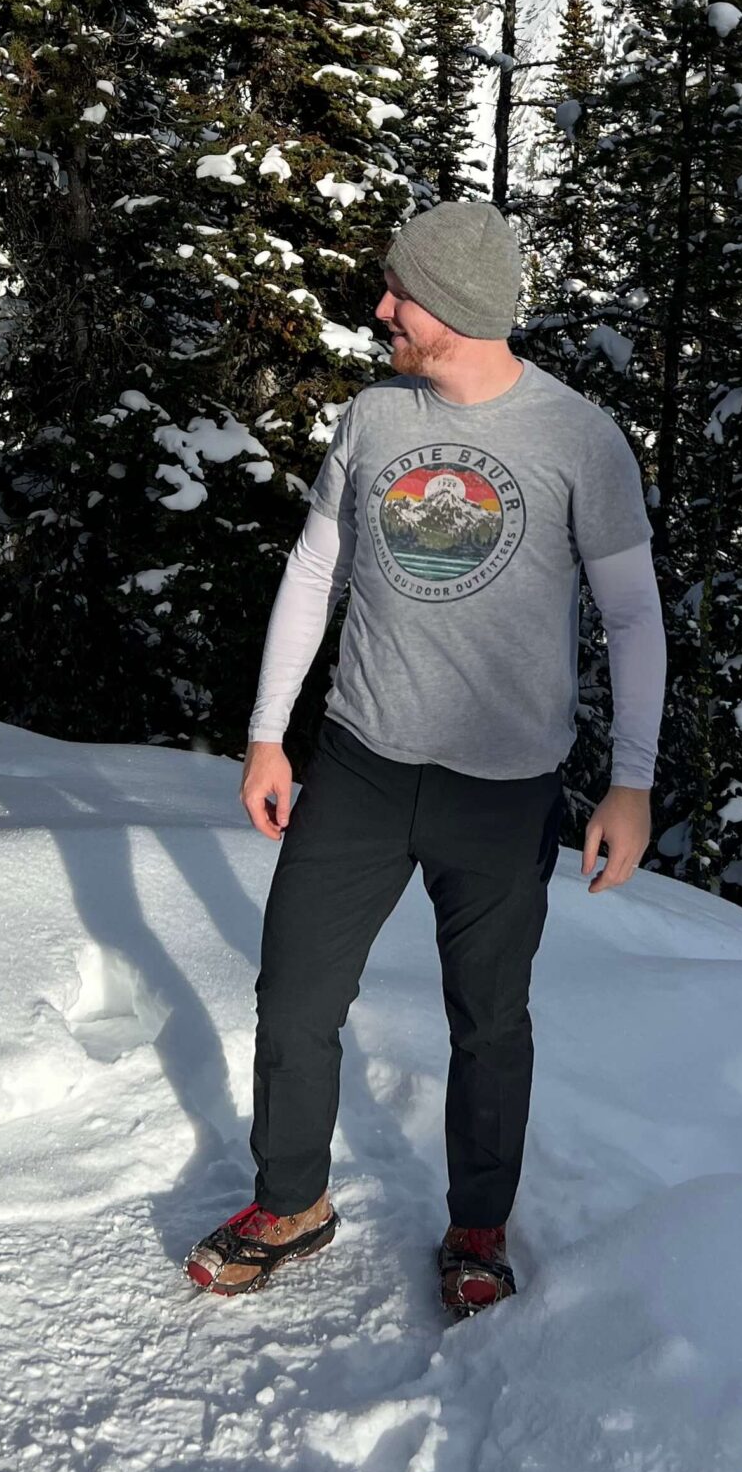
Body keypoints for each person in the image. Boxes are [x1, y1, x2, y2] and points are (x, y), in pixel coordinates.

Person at [185, 197, 667, 1320]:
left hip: (504, 792)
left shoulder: (578, 440)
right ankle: (291, 1202)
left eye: (400, 293)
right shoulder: (372, 419)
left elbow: (633, 619)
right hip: (357, 764)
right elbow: (314, 573)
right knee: (297, 990)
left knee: (489, 1020)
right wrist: (269, 732)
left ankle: (479, 1229)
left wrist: (632, 782)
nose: (382, 307)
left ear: (452, 308)